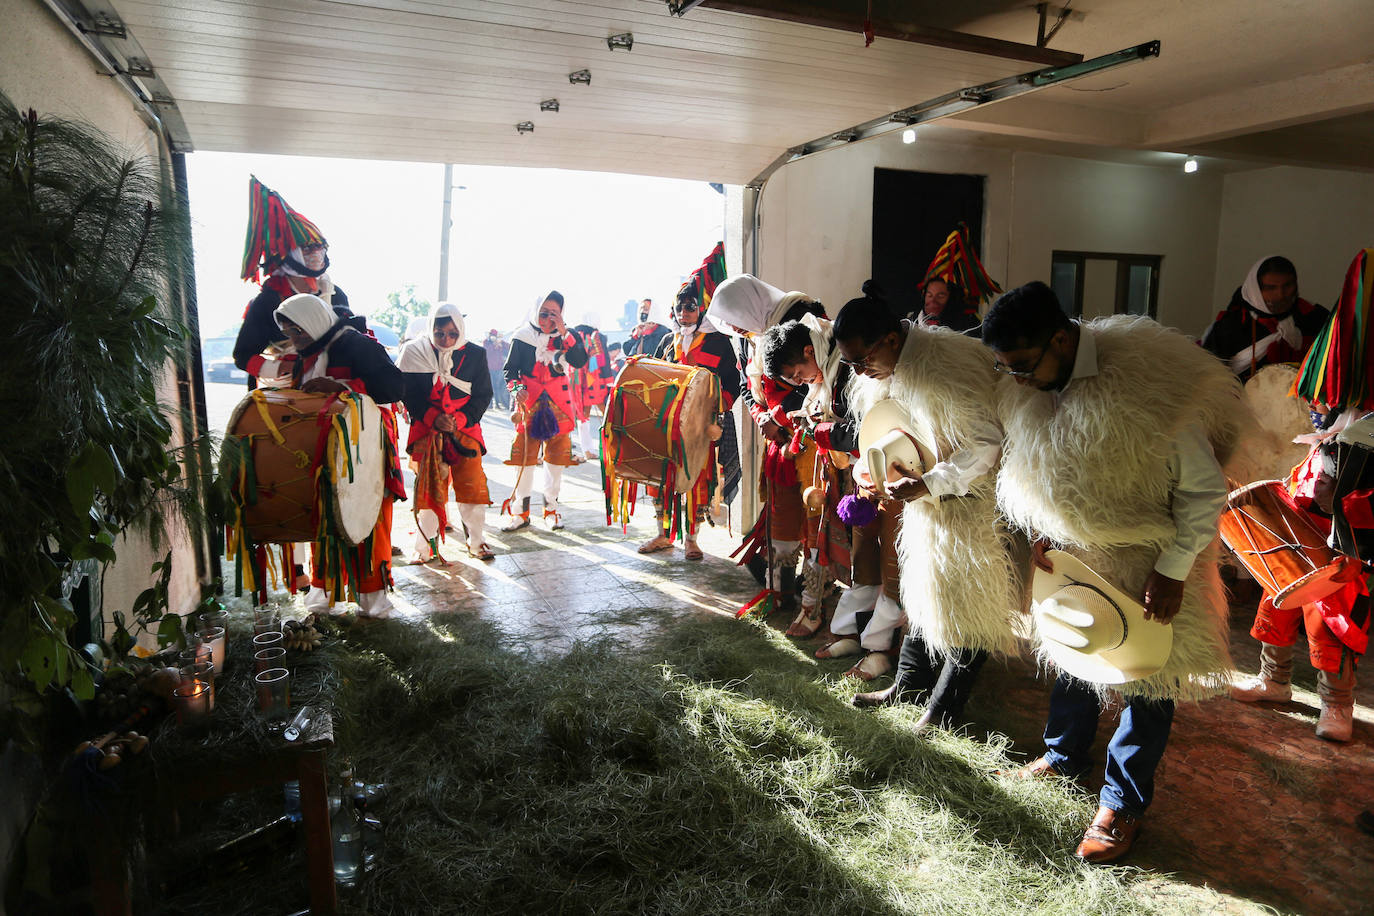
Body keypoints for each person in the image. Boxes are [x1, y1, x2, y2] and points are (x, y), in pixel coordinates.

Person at [984, 280, 1245, 863]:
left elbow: (1203, 493)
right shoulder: (1030, 389)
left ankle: (1122, 802)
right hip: (1079, 553)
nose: (1017, 380)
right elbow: (1044, 466)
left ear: (1059, 339)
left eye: (1023, 365)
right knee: (1076, 646)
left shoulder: (1153, 387)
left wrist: (1174, 569)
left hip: (1153, 557)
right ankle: (1064, 752)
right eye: (1008, 370)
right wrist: (1045, 527)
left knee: (1150, 676)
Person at [833, 286, 1025, 731]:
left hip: (972, 504)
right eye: (850, 364)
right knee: (921, 593)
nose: (859, 371)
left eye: (863, 359)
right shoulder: (878, 373)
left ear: (892, 340)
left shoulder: (950, 367)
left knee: (970, 606)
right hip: (924, 499)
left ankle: (944, 709)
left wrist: (930, 483)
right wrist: (870, 470)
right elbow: (884, 432)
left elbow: (986, 444)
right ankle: (909, 683)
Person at [761, 310, 901, 678]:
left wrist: (826, 431)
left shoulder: (851, 369)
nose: (800, 381)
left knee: (891, 566)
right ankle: (853, 634)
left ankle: (880, 649)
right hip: (860, 478)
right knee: (863, 560)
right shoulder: (827, 370)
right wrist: (810, 422)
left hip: (892, 476)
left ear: (810, 351)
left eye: (796, 374)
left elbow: (873, 428)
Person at [1230, 404, 1367, 742]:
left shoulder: (1365, 442)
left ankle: (1337, 705)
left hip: (1339, 552)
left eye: (1322, 401)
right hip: (1296, 543)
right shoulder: (1328, 438)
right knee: (1276, 608)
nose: (1316, 406)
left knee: (1332, 626)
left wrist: (1348, 538)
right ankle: (1273, 681)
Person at [273, 293, 406, 618]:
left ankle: (373, 603)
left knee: (367, 519)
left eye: (299, 332)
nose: (294, 340)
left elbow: (393, 389)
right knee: (329, 519)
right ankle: (325, 595)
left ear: (315, 321)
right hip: (324, 454)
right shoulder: (306, 354)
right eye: (290, 333)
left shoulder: (358, 345)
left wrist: (340, 387)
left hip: (367, 450)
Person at [709, 275, 827, 616]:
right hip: (779, 439)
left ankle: (816, 595)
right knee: (782, 515)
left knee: (816, 516)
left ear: (747, 306)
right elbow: (748, 385)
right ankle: (782, 593)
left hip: (811, 437)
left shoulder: (804, 318)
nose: (733, 327)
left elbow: (815, 380)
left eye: (734, 318)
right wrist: (762, 418)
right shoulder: (750, 335)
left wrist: (778, 415)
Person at [637, 285, 741, 560]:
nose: (684, 313)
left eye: (690, 307)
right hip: (668, 425)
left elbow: (733, 382)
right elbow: (654, 377)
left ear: (701, 309)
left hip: (701, 427)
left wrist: (719, 412)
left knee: (697, 480)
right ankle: (663, 534)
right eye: (679, 308)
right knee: (662, 480)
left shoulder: (717, 341)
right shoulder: (666, 341)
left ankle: (692, 540)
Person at [233, 177, 354, 388]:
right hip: (282, 388)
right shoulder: (268, 301)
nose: (316, 253)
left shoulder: (336, 294)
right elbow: (243, 355)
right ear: (291, 255)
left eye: (320, 247)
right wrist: (283, 369)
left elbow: (349, 339)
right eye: (308, 248)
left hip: (331, 383)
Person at [398, 303, 495, 562]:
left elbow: (484, 394)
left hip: (466, 430)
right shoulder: (414, 352)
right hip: (427, 431)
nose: (446, 339)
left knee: (472, 486)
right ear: (431, 329)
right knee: (430, 489)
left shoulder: (475, 354)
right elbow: (408, 394)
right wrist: (433, 418)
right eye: (440, 333)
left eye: (453, 333)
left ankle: (476, 542)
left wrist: (460, 419)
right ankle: (425, 547)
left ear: (460, 330)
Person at [501, 291, 588, 532]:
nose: (549, 318)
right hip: (529, 405)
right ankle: (520, 513)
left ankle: (551, 510)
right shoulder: (522, 337)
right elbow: (510, 371)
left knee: (555, 461)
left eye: (555, 314)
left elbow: (580, 360)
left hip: (559, 405)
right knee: (525, 461)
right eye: (544, 313)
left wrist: (564, 332)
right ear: (535, 311)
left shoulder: (567, 337)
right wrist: (516, 389)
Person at [1201, 255, 1329, 380]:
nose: (1280, 295)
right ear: (1255, 290)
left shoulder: (1315, 317)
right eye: (1271, 288)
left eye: (1287, 286)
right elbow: (1209, 378)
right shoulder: (1230, 326)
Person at [572, 322, 614, 459]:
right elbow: (603, 360)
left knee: (584, 415)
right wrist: (609, 379)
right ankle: (612, 446)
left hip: (580, 381)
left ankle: (587, 450)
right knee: (607, 412)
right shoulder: (597, 336)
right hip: (597, 379)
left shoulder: (575, 335)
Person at [914, 278, 980, 334]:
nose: (933, 301)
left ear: (951, 299)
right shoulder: (911, 324)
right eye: (929, 295)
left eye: (940, 296)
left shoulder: (969, 326)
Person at [485, 329, 510, 411]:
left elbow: (509, 347)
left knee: (498, 387)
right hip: (489, 369)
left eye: (494, 337)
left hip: (499, 369)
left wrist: (501, 342)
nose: (493, 338)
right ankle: (490, 404)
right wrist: (493, 345)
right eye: (492, 336)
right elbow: (486, 352)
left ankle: (498, 403)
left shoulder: (500, 343)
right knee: (491, 387)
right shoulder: (486, 342)